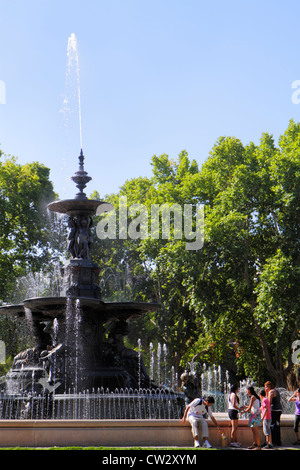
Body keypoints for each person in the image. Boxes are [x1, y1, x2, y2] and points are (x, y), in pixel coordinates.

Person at [241, 385, 261, 450]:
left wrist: (243, 412)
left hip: (255, 415)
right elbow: (251, 406)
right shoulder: (254, 397)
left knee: (255, 431)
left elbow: (250, 408)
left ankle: (258, 446)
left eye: (247, 391)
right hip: (254, 415)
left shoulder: (252, 397)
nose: (247, 392)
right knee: (253, 430)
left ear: (250, 391)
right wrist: (245, 407)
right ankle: (255, 444)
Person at [264, 381, 282, 446]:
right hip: (279, 409)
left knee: (272, 425)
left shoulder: (270, 392)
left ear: (268, 387)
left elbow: (269, 402)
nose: (265, 388)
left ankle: (273, 441)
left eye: (265, 387)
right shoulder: (276, 390)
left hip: (274, 410)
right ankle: (278, 441)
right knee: (277, 425)